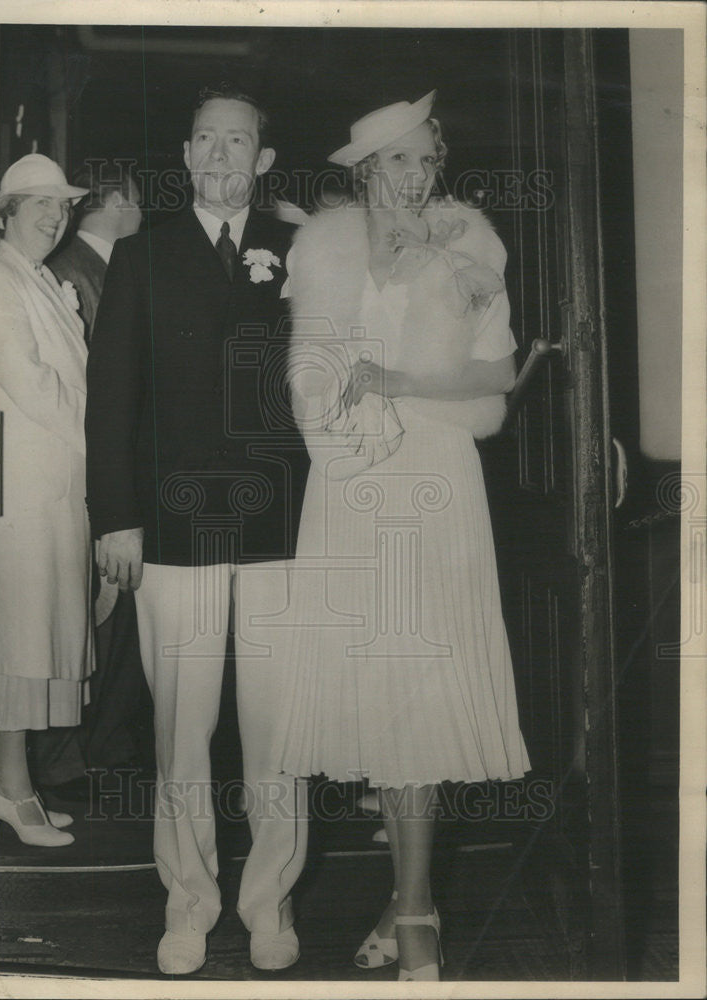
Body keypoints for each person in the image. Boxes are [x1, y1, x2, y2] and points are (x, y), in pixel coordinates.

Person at [273, 90, 530, 981]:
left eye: (427, 159)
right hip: (348, 484)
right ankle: (406, 893)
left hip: (435, 472)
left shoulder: (471, 242)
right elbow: (305, 374)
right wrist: (337, 410)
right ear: (365, 171)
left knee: (425, 687)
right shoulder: (325, 248)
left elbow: (498, 371)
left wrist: (401, 378)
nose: (417, 177)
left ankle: (416, 909)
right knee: (377, 694)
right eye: (398, 162)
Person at [85, 84, 311, 974]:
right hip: (172, 532)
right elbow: (111, 406)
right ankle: (188, 903)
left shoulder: (300, 252)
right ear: (184, 157)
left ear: (260, 161)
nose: (220, 156)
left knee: (277, 732)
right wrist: (117, 521)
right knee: (181, 728)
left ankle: (270, 903)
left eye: (238, 142)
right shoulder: (140, 258)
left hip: (279, 528)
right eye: (205, 141)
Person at [0, 154, 93, 847]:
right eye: (39, 204)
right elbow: (31, 383)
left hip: (53, 482)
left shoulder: (40, 279)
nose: (54, 215)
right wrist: (101, 433)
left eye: (62, 206)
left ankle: (13, 781)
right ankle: (8, 786)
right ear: (6, 212)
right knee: (19, 635)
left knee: (39, 631)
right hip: (22, 486)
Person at [30, 160, 146, 796]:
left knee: (112, 609)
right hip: (88, 468)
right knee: (90, 611)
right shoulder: (76, 268)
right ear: (122, 199)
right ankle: (70, 754)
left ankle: (102, 745)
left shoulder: (87, 265)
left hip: (111, 468)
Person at [49, 161, 142, 343]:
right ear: (117, 201)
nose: (141, 214)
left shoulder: (109, 265)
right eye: (137, 203)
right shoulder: (66, 274)